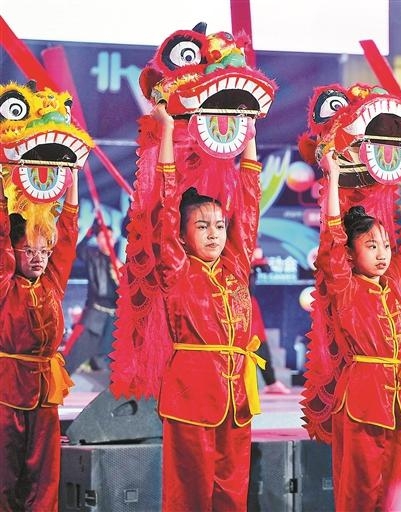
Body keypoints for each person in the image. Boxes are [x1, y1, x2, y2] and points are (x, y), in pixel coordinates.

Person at [150, 103, 264, 510]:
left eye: (218, 225)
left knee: (233, 494)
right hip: (190, 395)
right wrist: (166, 130)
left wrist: (248, 140)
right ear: (182, 235)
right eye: (202, 226)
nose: (214, 234)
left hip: (237, 396)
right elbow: (164, 207)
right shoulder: (178, 268)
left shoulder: (234, 266)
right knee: (190, 496)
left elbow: (248, 208)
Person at [316, 152, 401, 511]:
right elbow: (332, 242)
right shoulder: (346, 285)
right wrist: (333, 177)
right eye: (370, 246)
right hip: (363, 394)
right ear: (350, 254)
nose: (382, 254)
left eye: (383, 245)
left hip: (394, 396)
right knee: (361, 488)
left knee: (392, 486)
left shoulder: (394, 284)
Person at [0, 171, 79, 511]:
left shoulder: (52, 284)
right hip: (6, 391)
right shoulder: (5, 285)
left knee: (46, 477)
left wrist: (72, 177)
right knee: (4, 473)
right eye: (28, 250)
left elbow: (69, 236)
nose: (37, 257)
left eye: (43, 251)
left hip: (46, 391)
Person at [63, 218, 122, 375]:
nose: (106, 240)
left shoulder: (119, 264)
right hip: (95, 316)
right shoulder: (92, 256)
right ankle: (51, 388)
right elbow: (77, 251)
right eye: (102, 236)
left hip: (114, 321)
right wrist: (90, 233)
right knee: (73, 356)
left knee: (112, 364)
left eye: (109, 236)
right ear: (98, 239)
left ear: (114, 239)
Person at [249, 267, 291, 394]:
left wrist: (255, 265)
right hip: (236, 309)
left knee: (261, 347)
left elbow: (266, 268)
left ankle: (271, 382)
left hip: (250, 309)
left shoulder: (251, 300)